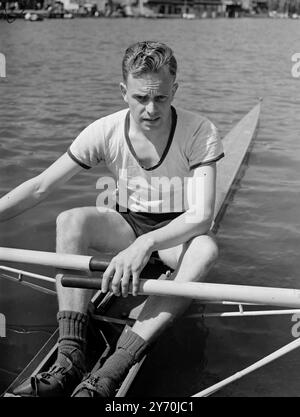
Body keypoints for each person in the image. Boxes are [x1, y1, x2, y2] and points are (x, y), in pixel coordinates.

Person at [0, 41, 224, 397]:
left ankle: (113, 371)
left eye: (161, 99)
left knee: (206, 250)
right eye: (140, 99)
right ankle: (70, 358)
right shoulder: (104, 130)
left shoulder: (199, 131)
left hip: (176, 234)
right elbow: (41, 186)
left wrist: (146, 244)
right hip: (128, 224)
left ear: (175, 90)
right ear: (123, 92)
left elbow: (200, 216)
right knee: (70, 221)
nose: (151, 109)